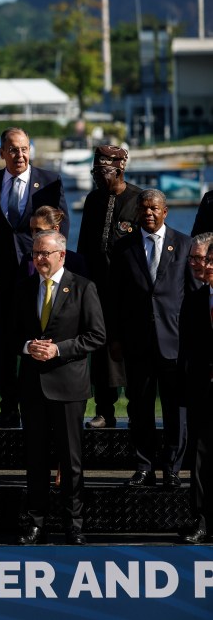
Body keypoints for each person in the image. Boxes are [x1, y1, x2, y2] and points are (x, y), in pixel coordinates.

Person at [15, 231, 105, 546]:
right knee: (35, 461)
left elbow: (96, 336)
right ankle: (36, 524)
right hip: (33, 388)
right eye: (35, 253)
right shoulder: (24, 289)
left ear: (61, 255)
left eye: (45, 253)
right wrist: (28, 346)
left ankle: (74, 524)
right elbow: (10, 333)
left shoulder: (83, 287)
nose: (39, 258)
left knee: (71, 462)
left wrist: (59, 350)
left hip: (68, 387)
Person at [0, 127, 67, 429]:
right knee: (5, 341)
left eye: (25, 148)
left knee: (38, 336)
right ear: (2, 153)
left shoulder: (51, 181)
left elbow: (60, 229)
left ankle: (39, 405)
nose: (20, 155)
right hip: (2, 275)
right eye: (13, 150)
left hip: (38, 271)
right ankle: (9, 407)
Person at [109, 189, 193, 488]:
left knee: (176, 410)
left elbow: (193, 296)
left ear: (165, 211)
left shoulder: (184, 244)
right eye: (143, 208)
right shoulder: (124, 248)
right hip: (137, 343)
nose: (148, 213)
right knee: (140, 409)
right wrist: (115, 338)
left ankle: (172, 467)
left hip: (175, 343)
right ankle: (144, 466)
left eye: (154, 208)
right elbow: (114, 297)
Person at [76, 145, 140, 429]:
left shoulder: (139, 200)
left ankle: (138, 410)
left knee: (133, 351)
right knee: (100, 352)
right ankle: (105, 410)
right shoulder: (92, 200)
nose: (98, 177)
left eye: (104, 172)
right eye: (95, 172)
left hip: (130, 293)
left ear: (120, 169)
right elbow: (83, 246)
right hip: (97, 290)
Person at [177, 235, 213, 544]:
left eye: (206, 260)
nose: (200, 265)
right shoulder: (196, 299)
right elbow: (186, 348)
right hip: (203, 391)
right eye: (197, 260)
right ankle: (201, 520)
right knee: (201, 458)